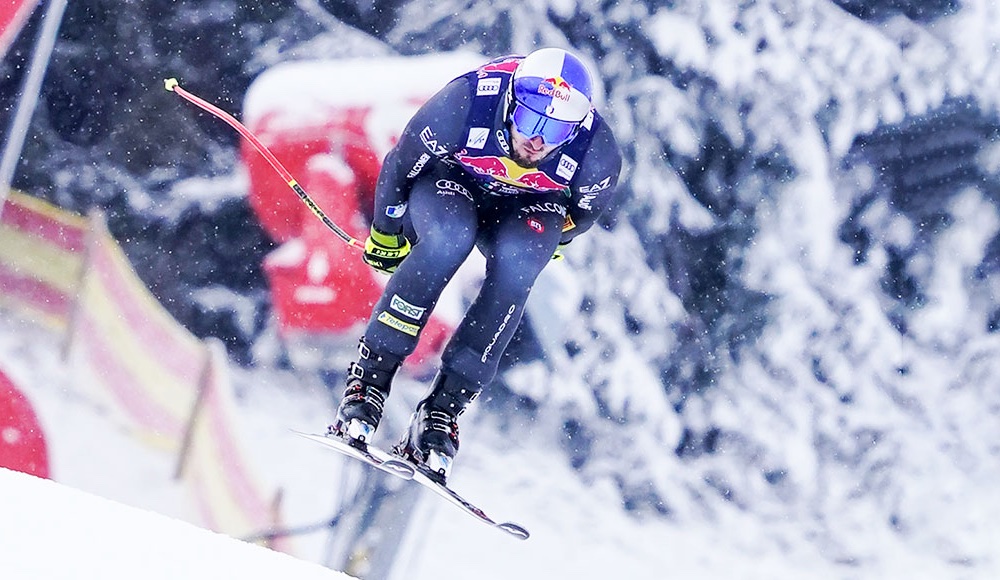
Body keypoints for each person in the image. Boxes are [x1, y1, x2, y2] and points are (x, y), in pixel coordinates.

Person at [328, 47, 623, 484]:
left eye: (555, 129)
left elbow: (585, 214)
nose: (536, 140)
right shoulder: (466, 103)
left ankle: (443, 412)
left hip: (529, 206)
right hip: (452, 185)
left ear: (576, 127)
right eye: (530, 120)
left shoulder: (595, 154)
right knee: (448, 240)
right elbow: (402, 165)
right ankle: (368, 382)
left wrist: (546, 242)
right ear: (510, 103)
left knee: (520, 266)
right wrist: (387, 231)